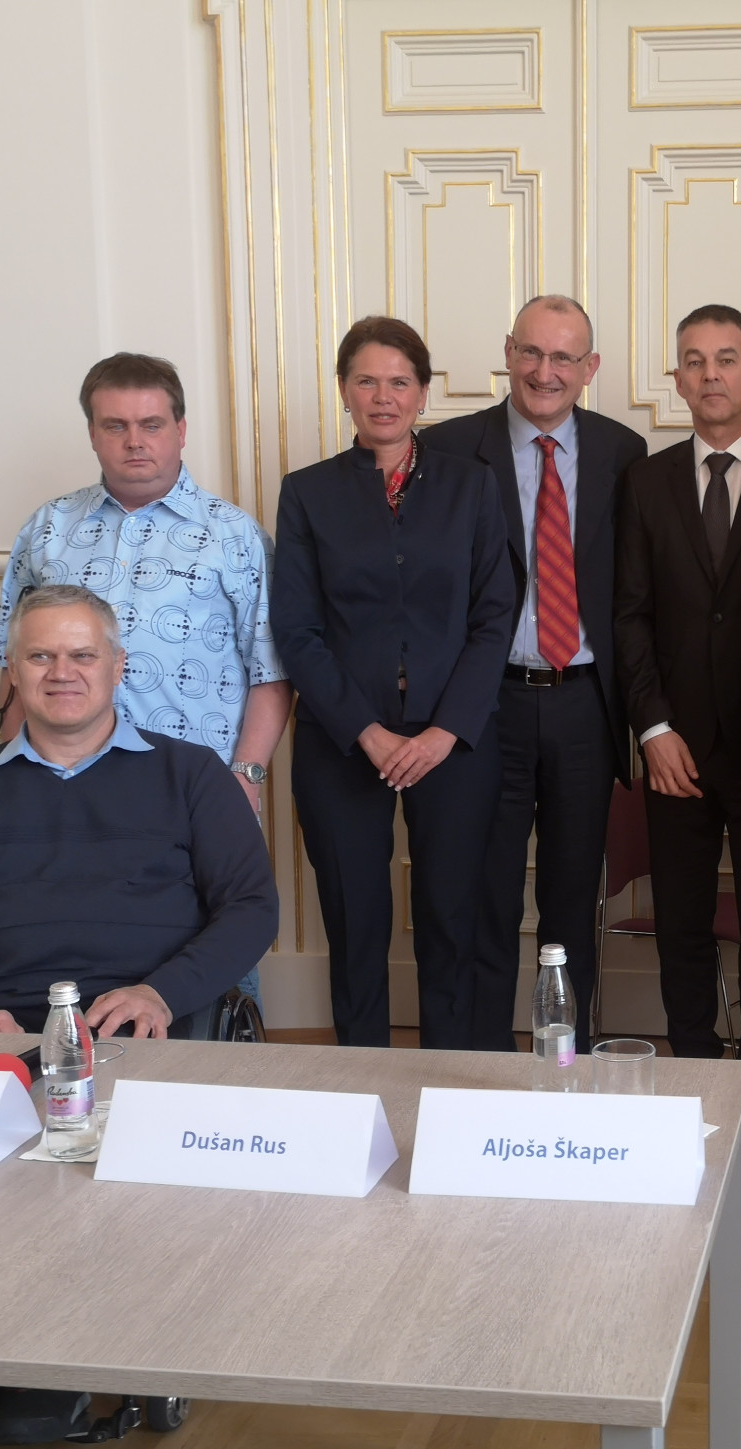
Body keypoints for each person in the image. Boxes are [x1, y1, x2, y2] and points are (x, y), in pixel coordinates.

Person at [0, 353, 288, 1004]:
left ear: (181, 430)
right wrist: (5, 775)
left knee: (216, 957)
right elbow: (16, 667)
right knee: (69, 946)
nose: (135, 441)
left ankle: (221, 1067)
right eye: (115, 425)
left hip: (198, 788)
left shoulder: (235, 537)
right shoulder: (48, 529)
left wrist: (246, 777)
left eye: (151, 424)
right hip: (62, 786)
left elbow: (271, 673)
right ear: (92, 433)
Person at [0, 585, 279, 1036]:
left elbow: (251, 906)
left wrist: (162, 994)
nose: (62, 673)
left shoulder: (192, 774)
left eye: (83, 656)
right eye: (40, 657)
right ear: (13, 670)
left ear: (118, 666)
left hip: (154, 1026)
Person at [271, 317, 514, 1048]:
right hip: (343, 741)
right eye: (367, 381)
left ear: (423, 393)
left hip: (454, 741)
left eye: (399, 382)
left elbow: (495, 616)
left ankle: (447, 1086)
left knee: (452, 918)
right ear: (344, 391)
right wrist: (368, 733)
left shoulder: (472, 486)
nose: (384, 397)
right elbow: (297, 631)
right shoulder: (307, 493)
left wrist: (444, 732)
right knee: (356, 924)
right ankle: (363, 1085)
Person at [614, 304, 741, 1191]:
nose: (711, 375)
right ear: (677, 381)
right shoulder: (645, 483)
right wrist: (652, 728)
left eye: (727, 359)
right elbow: (629, 615)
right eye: (693, 361)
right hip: (676, 754)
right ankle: (693, 1095)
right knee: (684, 931)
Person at [427, 296, 648, 1051]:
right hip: (487, 705)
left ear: (590, 368)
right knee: (486, 893)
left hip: (585, 704)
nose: (544, 371)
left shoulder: (624, 451)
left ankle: (564, 1063)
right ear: (508, 352)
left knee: (571, 897)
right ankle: (489, 1064)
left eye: (563, 357)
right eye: (531, 352)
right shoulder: (450, 448)